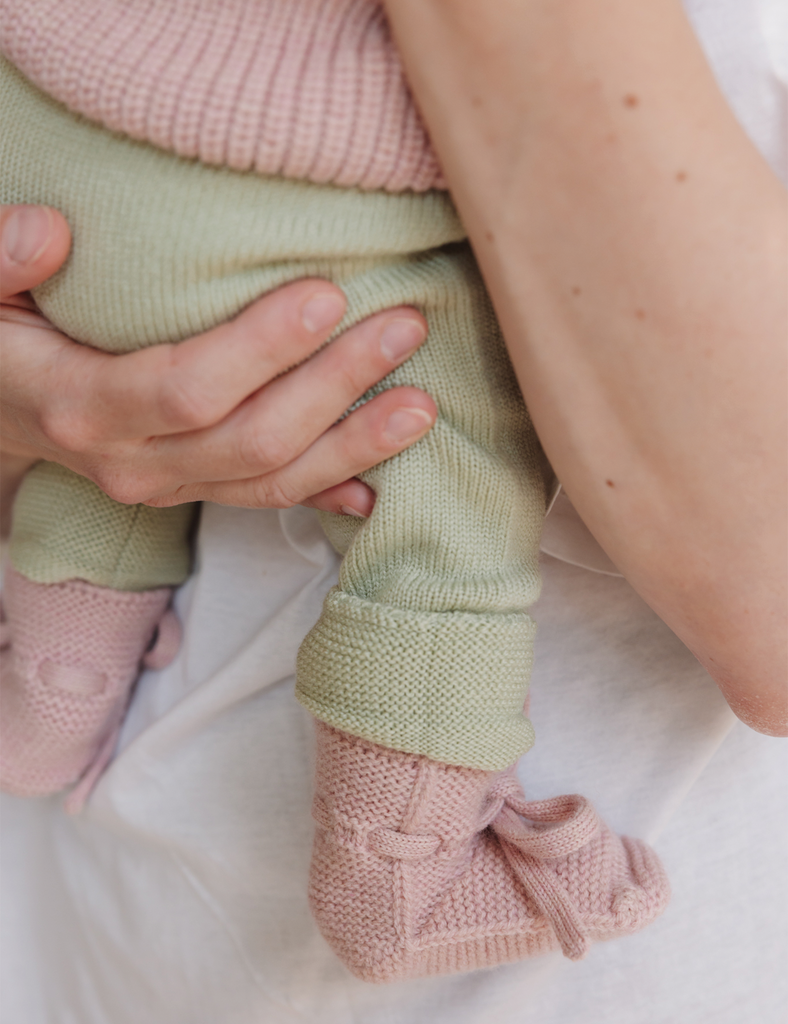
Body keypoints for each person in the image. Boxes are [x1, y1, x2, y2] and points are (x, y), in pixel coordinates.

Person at [1, 0, 785, 1020]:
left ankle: (50, 698)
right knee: (443, 452)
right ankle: (395, 879)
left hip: (123, 882)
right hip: (286, 949)